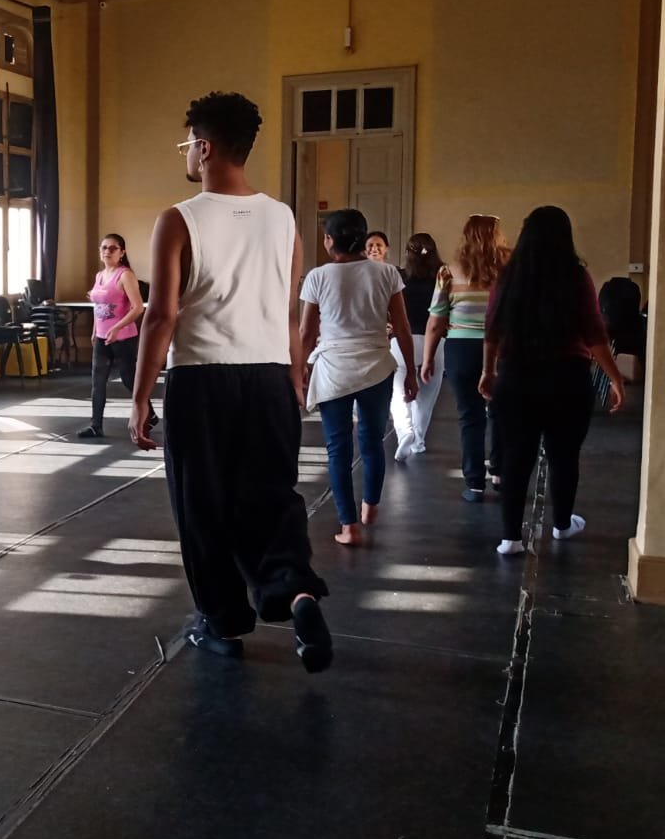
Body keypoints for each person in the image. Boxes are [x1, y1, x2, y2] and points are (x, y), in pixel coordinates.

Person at [129, 91, 332, 673]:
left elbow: (162, 315)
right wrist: (294, 379)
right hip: (270, 378)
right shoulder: (283, 216)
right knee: (271, 499)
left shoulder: (180, 218)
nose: (187, 152)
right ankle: (295, 590)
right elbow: (288, 311)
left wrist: (141, 397)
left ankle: (221, 621)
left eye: (188, 141)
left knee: (203, 508)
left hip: (203, 383)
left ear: (205, 145)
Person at [481, 206, 626, 556]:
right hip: (567, 378)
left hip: (516, 376)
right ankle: (562, 525)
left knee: (517, 456)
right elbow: (594, 333)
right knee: (565, 456)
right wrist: (616, 379)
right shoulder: (576, 277)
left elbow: (492, 328)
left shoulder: (509, 276)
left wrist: (488, 371)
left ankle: (510, 538)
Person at [299, 209, 417, 546]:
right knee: (372, 440)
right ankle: (370, 506)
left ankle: (348, 527)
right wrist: (408, 371)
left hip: (334, 368)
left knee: (338, 449)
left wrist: (298, 371)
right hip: (377, 366)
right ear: (364, 239)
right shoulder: (386, 274)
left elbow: (307, 331)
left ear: (329, 241)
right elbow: (404, 327)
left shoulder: (318, 277)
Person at [423, 214, 509, 503]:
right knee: (501, 412)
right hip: (502, 348)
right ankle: (499, 472)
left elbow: (436, 320)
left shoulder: (449, 271)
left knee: (469, 416)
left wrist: (427, 359)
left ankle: (474, 482)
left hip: (460, 348)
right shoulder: (509, 271)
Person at [75, 232, 156, 439]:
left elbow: (138, 308)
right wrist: (95, 331)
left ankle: (150, 413)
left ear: (122, 252)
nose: (107, 252)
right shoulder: (100, 276)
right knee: (98, 382)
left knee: (129, 380)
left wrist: (117, 328)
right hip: (103, 338)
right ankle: (96, 425)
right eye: (104, 248)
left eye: (113, 248)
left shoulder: (125, 275)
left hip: (124, 338)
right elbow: (98, 306)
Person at [391, 233, 445, 460]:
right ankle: (419, 441)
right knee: (426, 397)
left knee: (398, 393)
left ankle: (405, 432)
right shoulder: (443, 276)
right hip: (435, 341)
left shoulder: (399, 276)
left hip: (402, 341)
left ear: (407, 253)